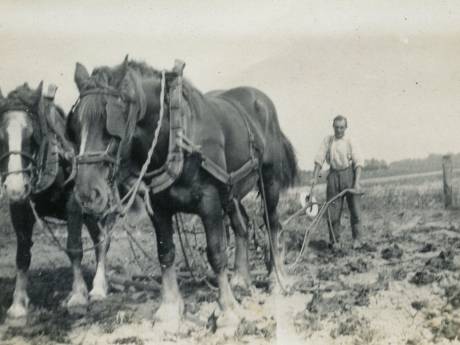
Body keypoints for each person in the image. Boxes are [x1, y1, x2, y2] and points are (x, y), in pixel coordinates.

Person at [310, 115, 363, 248]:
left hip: (349, 175)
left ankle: (357, 240)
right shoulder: (328, 140)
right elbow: (319, 159)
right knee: (332, 210)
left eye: (342, 127)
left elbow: (358, 162)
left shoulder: (350, 141)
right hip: (333, 176)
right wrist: (314, 178)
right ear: (333, 127)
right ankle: (335, 241)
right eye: (336, 127)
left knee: (355, 210)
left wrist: (356, 183)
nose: (339, 130)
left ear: (346, 128)